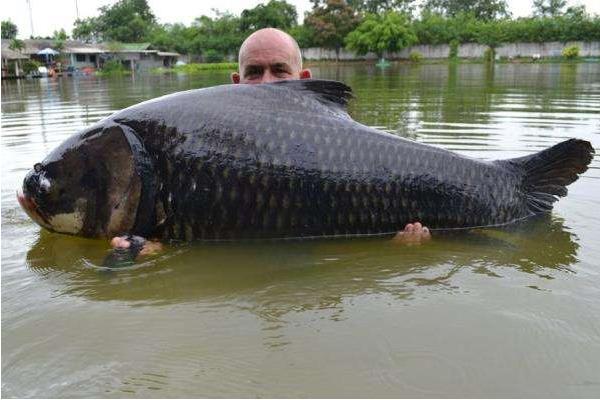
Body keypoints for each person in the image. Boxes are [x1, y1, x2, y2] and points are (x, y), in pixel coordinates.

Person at [109, 28, 430, 260]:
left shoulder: (350, 148)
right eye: (254, 72)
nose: (266, 83)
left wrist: (396, 252)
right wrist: (150, 253)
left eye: (279, 70)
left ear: (303, 79)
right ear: (235, 83)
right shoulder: (208, 142)